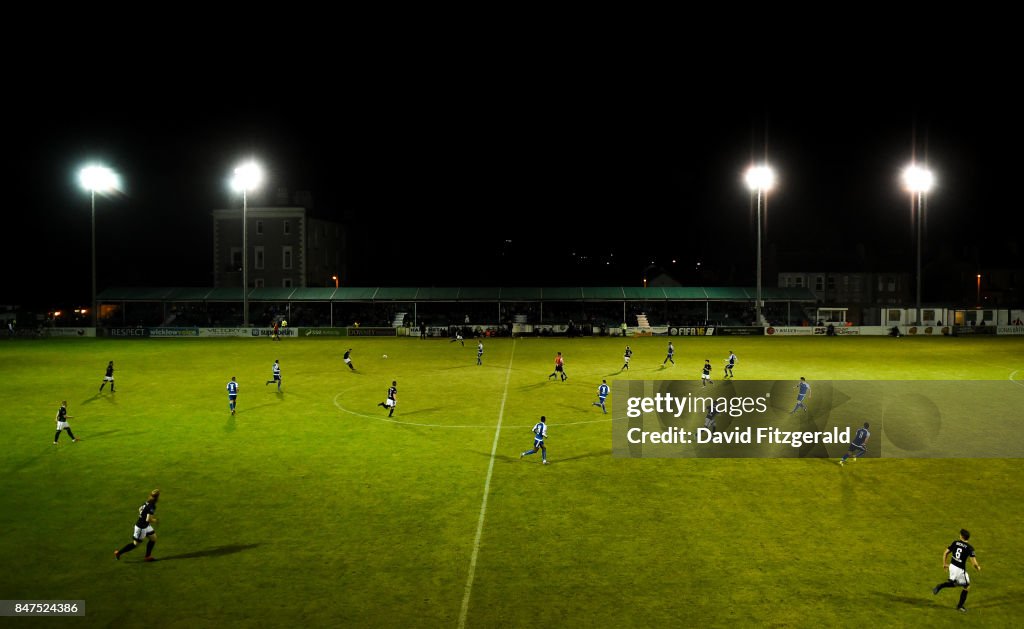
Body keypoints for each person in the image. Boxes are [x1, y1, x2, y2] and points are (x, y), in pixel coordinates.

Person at [933, 529, 981, 613]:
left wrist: (944, 564)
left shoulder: (955, 543)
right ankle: (959, 606)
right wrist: (978, 567)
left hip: (952, 567)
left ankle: (940, 586)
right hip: (959, 570)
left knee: (954, 583)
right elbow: (974, 563)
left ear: (961, 536)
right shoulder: (970, 548)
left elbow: (945, 553)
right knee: (967, 586)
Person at [114, 489, 160, 562]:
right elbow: (148, 519)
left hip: (145, 526)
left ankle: (147, 556)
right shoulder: (152, 506)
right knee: (135, 544)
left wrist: (142, 515)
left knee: (153, 538)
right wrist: (155, 520)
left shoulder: (146, 502)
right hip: (141, 527)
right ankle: (119, 553)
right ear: (157, 497)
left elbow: (140, 509)